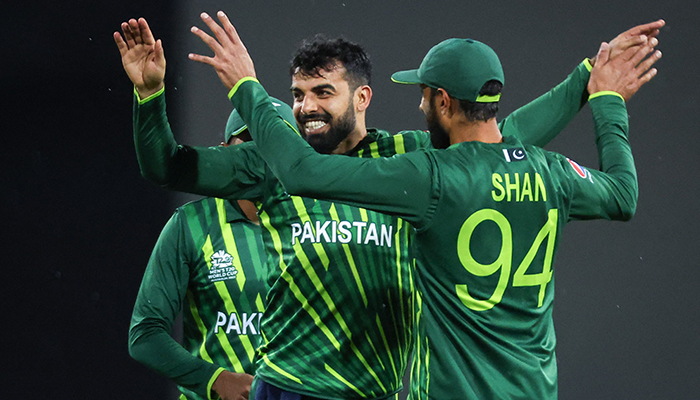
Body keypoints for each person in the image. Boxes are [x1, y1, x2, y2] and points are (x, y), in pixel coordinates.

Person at [115, 13, 662, 400]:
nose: (305, 109)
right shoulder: (269, 162)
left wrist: (583, 81)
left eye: (322, 93)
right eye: (298, 95)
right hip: (293, 386)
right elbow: (165, 166)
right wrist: (149, 97)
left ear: (362, 98)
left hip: (378, 389)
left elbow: (498, 141)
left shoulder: (411, 159)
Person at [127, 100, 294, 400]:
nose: (262, 155)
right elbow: (145, 335)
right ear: (224, 151)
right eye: (249, 143)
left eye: (275, 141)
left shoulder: (320, 225)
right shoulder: (190, 225)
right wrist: (216, 379)